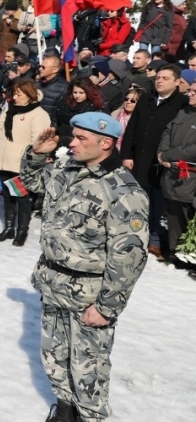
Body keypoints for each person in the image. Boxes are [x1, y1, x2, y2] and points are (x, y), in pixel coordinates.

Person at [21, 113, 148, 422]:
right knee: (54, 357)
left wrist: (106, 307)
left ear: (106, 143)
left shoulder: (124, 191)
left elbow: (128, 259)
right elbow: (31, 181)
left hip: (89, 296)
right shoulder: (68, 170)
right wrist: (37, 155)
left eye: (81, 139)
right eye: (72, 136)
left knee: (88, 368)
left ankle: (91, 417)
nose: (72, 143)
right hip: (54, 284)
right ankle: (65, 410)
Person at [120, 64, 185, 261]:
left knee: (157, 201)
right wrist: (127, 155)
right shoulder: (146, 99)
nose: (160, 81)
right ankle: (133, 233)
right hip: (139, 158)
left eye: (165, 78)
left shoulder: (181, 103)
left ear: (177, 82)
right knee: (137, 197)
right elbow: (131, 128)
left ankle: (154, 235)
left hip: (161, 162)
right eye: (158, 77)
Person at [0, 80, 51, 245]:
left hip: (20, 164)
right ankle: (9, 228)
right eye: (13, 93)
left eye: (19, 94)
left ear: (29, 95)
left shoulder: (39, 114)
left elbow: (38, 142)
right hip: (3, 160)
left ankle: (22, 230)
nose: (14, 97)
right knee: (8, 196)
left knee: (22, 197)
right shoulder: (10, 109)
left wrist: (30, 163)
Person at [156, 78, 196, 266]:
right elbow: (167, 131)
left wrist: (168, 155)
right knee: (173, 212)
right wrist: (162, 152)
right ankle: (175, 252)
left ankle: (188, 252)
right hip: (171, 173)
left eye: (195, 92)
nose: (190, 94)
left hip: (189, 175)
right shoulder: (184, 110)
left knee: (186, 212)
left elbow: (193, 149)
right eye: (191, 91)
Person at [54, 77, 105, 148]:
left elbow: (103, 127)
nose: (77, 96)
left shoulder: (97, 107)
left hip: (84, 145)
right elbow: (55, 122)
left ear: (88, 92)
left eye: (81, 93)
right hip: (61, 143)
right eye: (75, 92)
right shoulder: (63, 103)